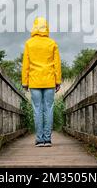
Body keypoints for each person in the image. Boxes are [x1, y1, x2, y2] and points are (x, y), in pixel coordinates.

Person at [22, 17, 62, 147]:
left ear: (34, 27)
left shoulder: (29, 43)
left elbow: (25, 65)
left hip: (34, 81)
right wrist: (58, 81)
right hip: (49, 80)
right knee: (48, 109)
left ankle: (39, 140)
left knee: (37, 110)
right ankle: (47, 139)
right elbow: (57, 64)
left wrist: (25, 82)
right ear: (46, 26)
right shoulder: (52, 43)